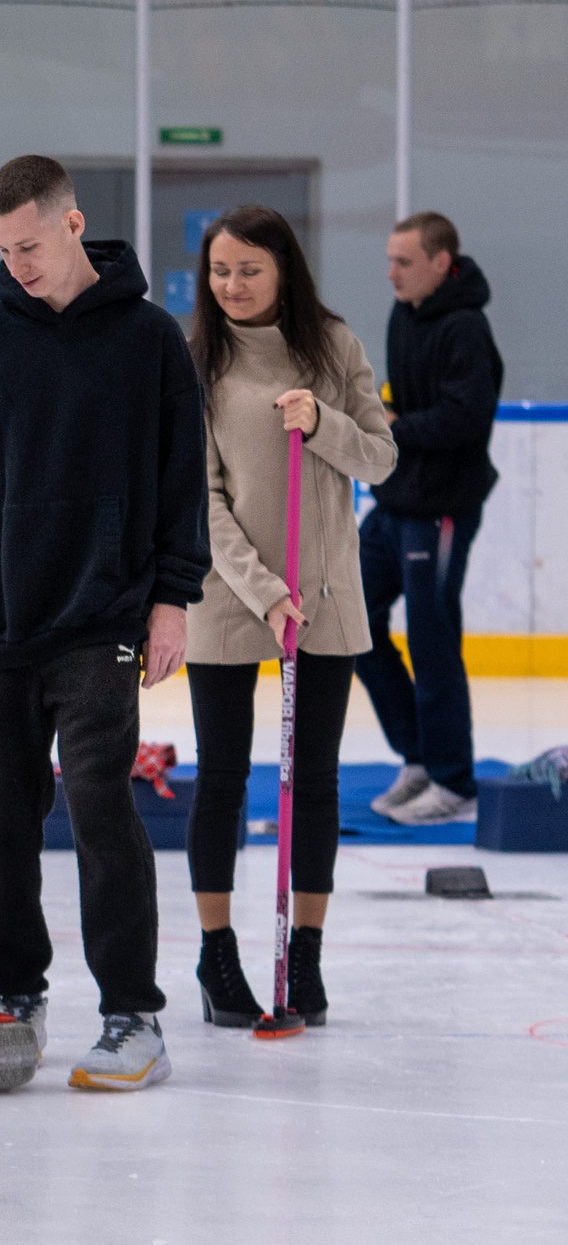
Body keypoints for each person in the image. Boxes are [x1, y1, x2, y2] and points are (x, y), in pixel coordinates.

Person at [0, 155, 209, 1093]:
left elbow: (178, 478)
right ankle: (16, 993)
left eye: (29, 245)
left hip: (102, 613)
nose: (16, 264)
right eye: (2, 250)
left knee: (97, 803)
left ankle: (132, 1013)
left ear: (73, 226)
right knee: (0, 817)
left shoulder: (151, 340)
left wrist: (172, 597)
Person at [182, 206, 395, 1030]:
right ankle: (218, 953)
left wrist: (324, 422)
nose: (232, 286)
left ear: (284, 272)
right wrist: (264, 591)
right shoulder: (196, 358)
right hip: (233, 598)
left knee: (314, 782)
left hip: (327, 594)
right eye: (220, 271)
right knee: (223, 777)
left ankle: (303, 950)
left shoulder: (332, 346)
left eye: (249, 270)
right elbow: (200, 499)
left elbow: (380, 456)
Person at [357, 212, 503, 827]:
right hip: (395, 500)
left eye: (403, 261)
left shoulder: (467, 329)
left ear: (441, 263)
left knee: (432, 637)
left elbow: (467, 417)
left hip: (441, 508)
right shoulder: (403, 316)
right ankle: (418, 756)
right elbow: (402, 398)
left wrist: (396, 429)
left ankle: (453, 781)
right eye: (389, 259)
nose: (390, 272)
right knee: (353, 620)